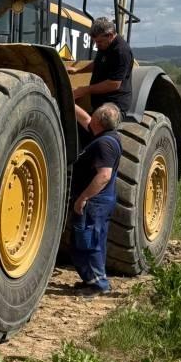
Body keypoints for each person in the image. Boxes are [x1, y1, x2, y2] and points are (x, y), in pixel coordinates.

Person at [69, 102, 123, 295]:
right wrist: (67, 98)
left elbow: (104, 175)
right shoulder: (107, 136)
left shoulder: (104, 143)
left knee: (89, 241)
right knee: (91, 240)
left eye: (95, 115)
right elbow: (85, 119)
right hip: (99, 200)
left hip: (95, 201)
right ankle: (91, 280)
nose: (91, 116)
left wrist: (83, 198)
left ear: (99, 122)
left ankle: (99, 285)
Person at [67, 17, 133, 124]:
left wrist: (84, 90)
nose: (97, 45)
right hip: (100, 103)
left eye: (99, 42)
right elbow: (98, 63)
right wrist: (77, 70)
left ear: (110, 35)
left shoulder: (121, 51)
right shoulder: (105, 46)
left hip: (113, 107)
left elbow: (114, 84)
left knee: (97, 130)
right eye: (95, 42)